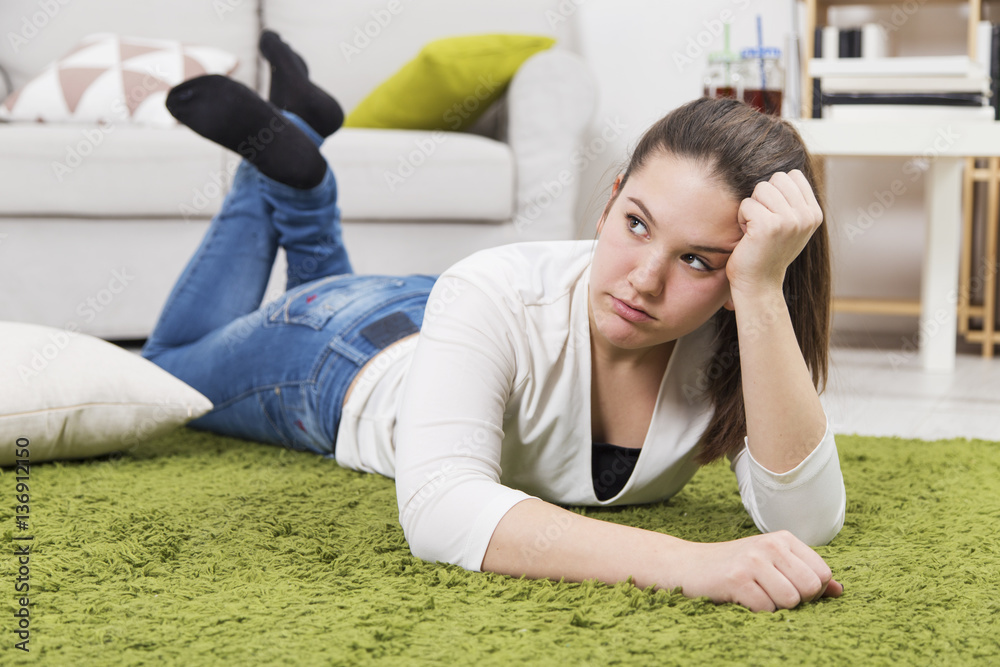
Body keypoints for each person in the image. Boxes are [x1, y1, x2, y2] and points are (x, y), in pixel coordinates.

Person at [143, 31, 846, 614]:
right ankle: (292, 162)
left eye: (697, 260)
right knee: (167, 369)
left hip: (446, 319)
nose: (644, 276)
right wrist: (693, 564)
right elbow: (441, 508)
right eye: (635, 224)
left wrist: (760, 293)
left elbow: (807, 521)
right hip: (343, 357)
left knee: (314, 289)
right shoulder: (493, 283)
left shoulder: (738, 327)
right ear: (607, 206)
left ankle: (298, 166)